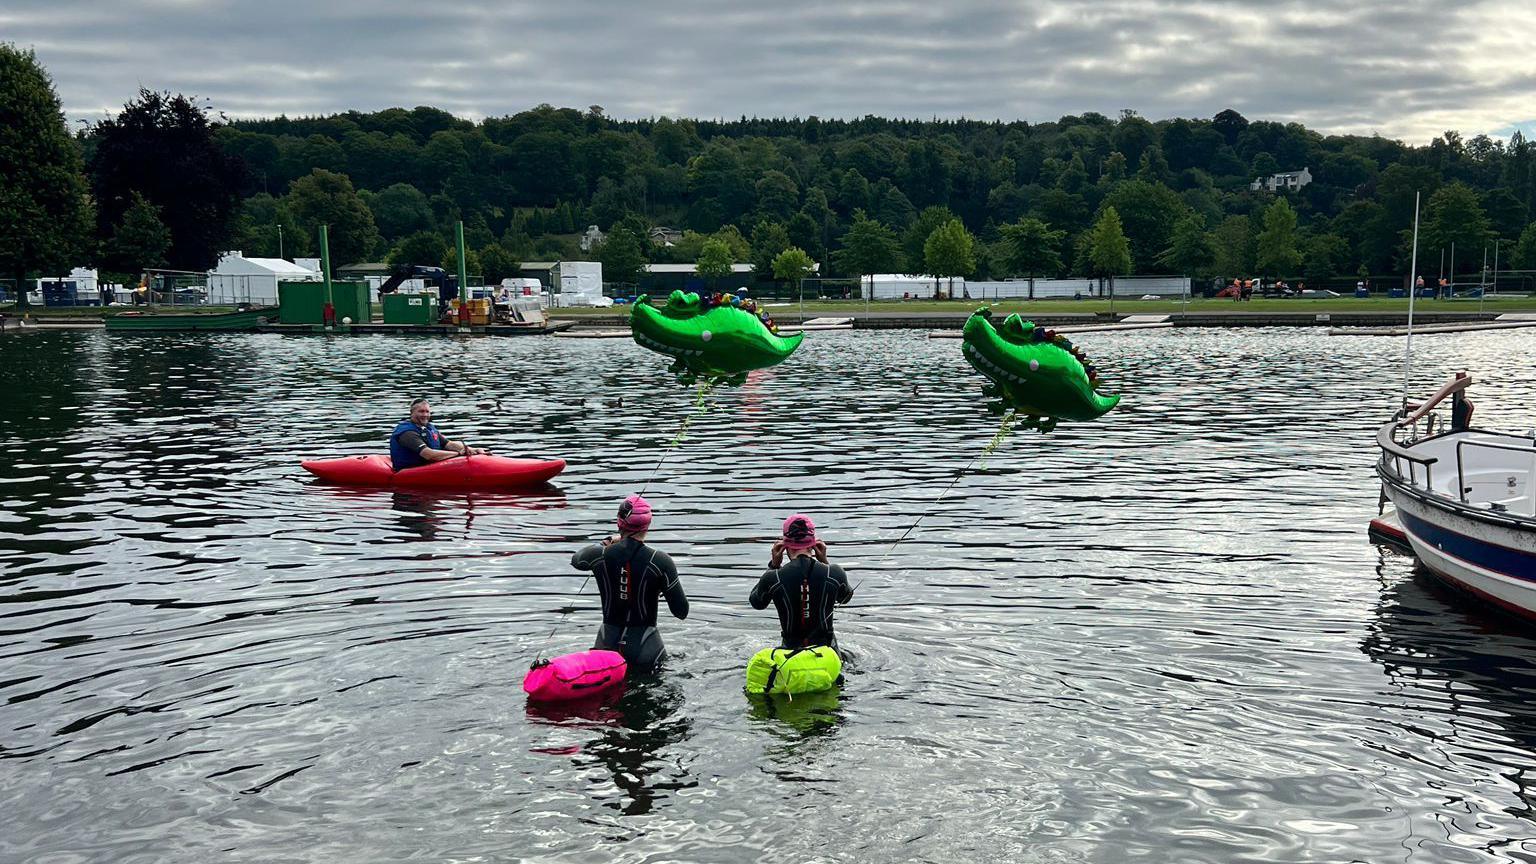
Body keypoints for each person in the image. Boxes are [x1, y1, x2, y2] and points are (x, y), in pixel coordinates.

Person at [570, 494, 688, 671]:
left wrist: (607, 542)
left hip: (605, 646)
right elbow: (681, 611)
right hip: (646, 649)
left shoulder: (600, 555)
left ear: (619, 522)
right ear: (647, 524)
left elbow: (577, 560)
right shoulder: (660, 561)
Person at [750, 514, 853, 649]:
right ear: (814, 544)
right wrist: (825, 562)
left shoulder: (773, 577)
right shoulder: (834, 572)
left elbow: (757, 603)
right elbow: (845, 598)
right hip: (829, 656)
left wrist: (773, 565)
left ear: (784, 545)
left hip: (789, 656)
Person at [389, 398, 486, 471]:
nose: (425, 415)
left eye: (427, 412)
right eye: (421, 411)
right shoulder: (407, 433)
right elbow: (429, 455)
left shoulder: (429, 428)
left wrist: (472, 450)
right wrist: (458, 454)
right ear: (412, 413)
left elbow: (448, 444)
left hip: (427, 467)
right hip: (409, 470)